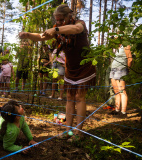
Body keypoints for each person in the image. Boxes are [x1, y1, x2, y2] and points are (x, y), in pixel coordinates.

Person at [19, 4, 96, 142]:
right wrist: (28, 35)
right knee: (69, 97)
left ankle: (78, 133)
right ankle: (68, 131)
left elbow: (76, 29)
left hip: (84, 66)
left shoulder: (79, 23)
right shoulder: (57, 29)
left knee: (79, 97)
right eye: (57, 20)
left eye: (61, 19)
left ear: (69, 16)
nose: (58, 22)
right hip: (70, 67)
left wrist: (56, 29)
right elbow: (42, 36)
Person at [110, 34, 133, 118]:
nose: (114, 40)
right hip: (113, 69)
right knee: (116, 91)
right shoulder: (116, 48)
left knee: (122, 91)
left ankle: (123, 112)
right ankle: (117, 110)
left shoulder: (126, 45)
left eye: (116, 38)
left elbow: (130, 59)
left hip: (121, 69)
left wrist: (127, 69)